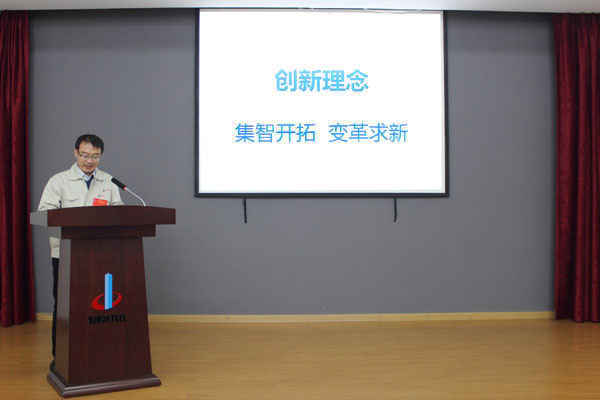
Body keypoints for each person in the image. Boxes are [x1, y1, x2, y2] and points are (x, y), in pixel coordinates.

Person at [38, 134, 124, 371]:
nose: (89, 160)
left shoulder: (109, 182)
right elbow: (44, 214)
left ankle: (95, 354)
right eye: (85, 155)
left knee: (97, 306)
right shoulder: (59, 181)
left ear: (101, 156)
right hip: (66, 254)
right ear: (75, 153)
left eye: (95, 156)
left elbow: (120, 213)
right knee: (65, 307)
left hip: (100, 256)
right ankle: (61, 358)